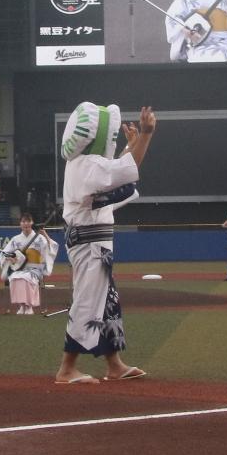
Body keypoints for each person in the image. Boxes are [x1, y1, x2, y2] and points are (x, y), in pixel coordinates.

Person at [55, 102, 153, 383]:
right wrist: (145, 135)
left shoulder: (85, 164)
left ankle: (114, 364)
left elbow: (116, 170)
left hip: (94, 243)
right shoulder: (85, 164)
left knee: (108, 304)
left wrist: (129, 147)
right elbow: (123, 171)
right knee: (88, 301)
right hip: (89, 243)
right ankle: (66, 368)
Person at [0, 210, 52, 314]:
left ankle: (29, 306)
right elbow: (4, 253)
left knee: (26, 277)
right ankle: (21, 305)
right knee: (14, 277)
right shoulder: (15, 239)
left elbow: (50, 248)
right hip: (20, 268)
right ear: (20, 224)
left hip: (35, 268)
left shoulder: (39, 238)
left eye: (28, 221)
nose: (26, 223)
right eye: (23, 221)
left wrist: (44, 234)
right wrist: (10, 258)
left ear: (32, 223)